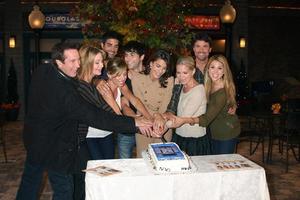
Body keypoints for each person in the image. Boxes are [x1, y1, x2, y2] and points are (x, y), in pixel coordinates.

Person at [16, 42, 152, 200]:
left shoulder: (43, 71)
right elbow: (96, 117)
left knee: (31, 183)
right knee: (64, 189)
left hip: (36, 139)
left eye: (78, 59)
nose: (78, 64)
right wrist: (135, 123)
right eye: (72, 61)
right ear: (59, 63)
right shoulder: (66, 92)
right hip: (56, 147)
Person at [168, 55, 241, 155]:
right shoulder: (207, 83)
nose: (215, 72)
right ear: (208, 69)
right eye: (212, 67)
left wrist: (185, 120)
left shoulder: (223, 91)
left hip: (225, 132)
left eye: (220, 68)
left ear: (224, 71)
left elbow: (206, 119)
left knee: (222, 165)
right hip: (211, 132)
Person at [157, 56, 210, 156]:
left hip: (194, 141)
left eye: (185, 73)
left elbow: (180, 118)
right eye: (178, 73)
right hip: (180, 136)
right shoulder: (182, 86)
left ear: (193, 71)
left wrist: (161, 125)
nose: (181, 76)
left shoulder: (198, 90)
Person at [132, 49, 174, 157]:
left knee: (163, 159)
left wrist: (159, 117)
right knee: (143, 159)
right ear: (151, 64)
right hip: (144, 123)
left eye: (164, 68)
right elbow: (140, 103)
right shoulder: (137, 78)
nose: (160, 71)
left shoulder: (169, 80)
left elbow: (166, 102)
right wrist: (155, 117)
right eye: (158, 66)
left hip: (162, 123)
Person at [118, 41, 146, 158]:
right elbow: (124, 104)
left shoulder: (151, 74)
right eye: (126, 55)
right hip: (128, 129)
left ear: (142, 57)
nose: (127, 59)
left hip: (147, 128)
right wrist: (137, 119)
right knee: (124, 165)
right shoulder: (122, 76)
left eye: (132, 55)